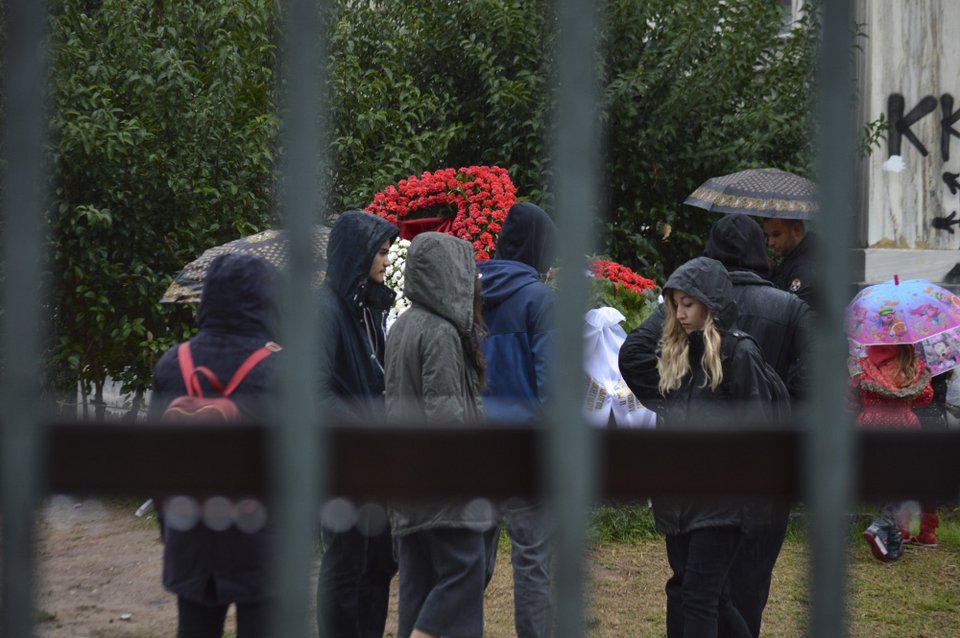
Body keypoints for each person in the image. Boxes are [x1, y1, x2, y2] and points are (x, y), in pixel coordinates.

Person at [620, 214, 812, 638]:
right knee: (727, 590)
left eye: (687, 304)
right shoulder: (783, 307)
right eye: (677, 305)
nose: (681, 312)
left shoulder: (736, 347)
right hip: (708, 488)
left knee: (699, 593)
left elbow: (634, 354)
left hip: (725, 487)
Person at [148, 252, 282, 638]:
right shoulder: (279, 370)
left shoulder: (172, 364)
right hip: (258, 539)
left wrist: (168, 526)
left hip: (189, 530)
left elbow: (155, 460)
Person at [384, 232, 495, 638]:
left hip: (407, 481)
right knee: (466, 569)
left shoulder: (403, 326)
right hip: (444, 486)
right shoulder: (442, 334)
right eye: (468, 272)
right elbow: (447, 417)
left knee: (418, 583)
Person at [316, 210, 400, 638]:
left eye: (387, 251)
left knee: (381, 561)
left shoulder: (369, 306)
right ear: (357, 253)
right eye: (380, 252)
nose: (387, 261)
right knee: (346, 560)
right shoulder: (324, 311)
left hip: (372, 461)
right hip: (342, 460)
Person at [477, 202, 556, 638]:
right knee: (532, 563)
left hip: (475, 448)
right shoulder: (540, 300)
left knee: (470, 564)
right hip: (526, 450)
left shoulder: (468, 292)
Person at [850, 343, 933, 562]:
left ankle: (892, 541)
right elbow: (926, 397)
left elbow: (849, 400)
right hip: (904, 427)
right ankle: (882, 525)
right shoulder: (911, 364)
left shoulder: (860, 364)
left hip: (870, 428)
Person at [763, 218, 818, 310]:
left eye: (776, 234)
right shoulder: (796, 259)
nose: (771, 242)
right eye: (768, 236)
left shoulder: (806, 266)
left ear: (795, 230)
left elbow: (792, 311)